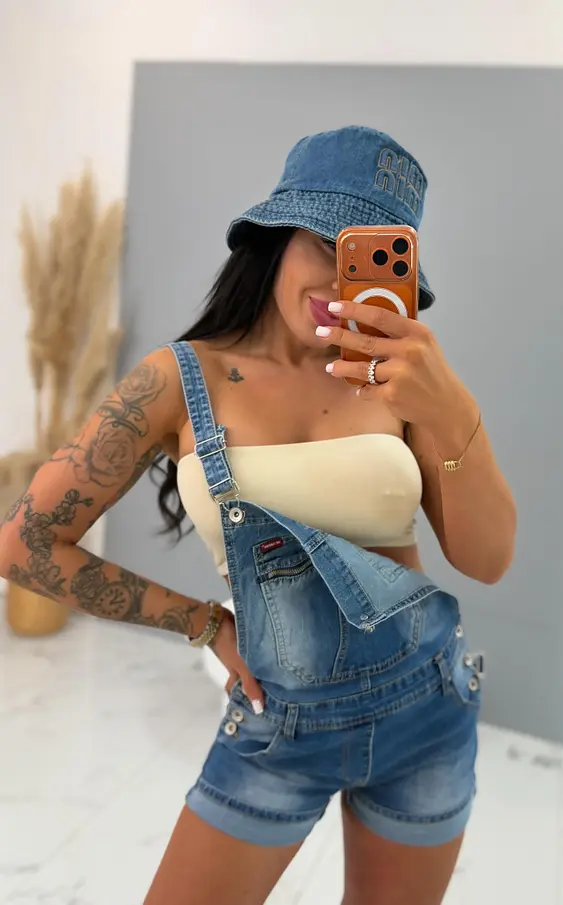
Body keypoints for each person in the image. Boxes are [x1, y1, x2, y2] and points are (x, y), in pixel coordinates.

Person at [0, 126, 516, 905]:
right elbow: (25, 543)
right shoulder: (181, 379)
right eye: (324, 244)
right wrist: (203, 622)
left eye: (367, 257)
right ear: (275, 236)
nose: (339, 281)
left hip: (426, 706)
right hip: (279, 725)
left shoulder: (402, 382)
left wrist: (451, 408)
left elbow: (486, 559)